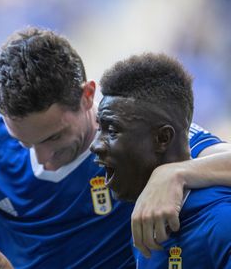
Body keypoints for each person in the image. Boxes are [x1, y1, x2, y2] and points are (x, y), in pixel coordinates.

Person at [0, 28, 231, 268]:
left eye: (53, 138)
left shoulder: (133, 143)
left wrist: (174, 173)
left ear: (87, 96)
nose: (43, 159)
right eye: (23, 143)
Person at [91, 53, 231, 268]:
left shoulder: (220, 222)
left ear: (162, 138)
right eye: (100, 128)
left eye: (112, 130)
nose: (96, 145)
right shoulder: (147, 212)